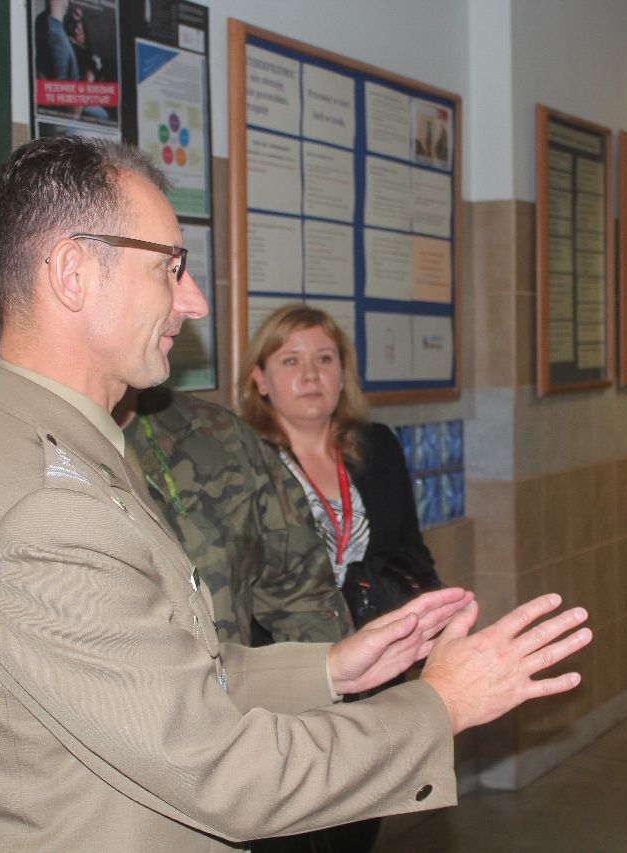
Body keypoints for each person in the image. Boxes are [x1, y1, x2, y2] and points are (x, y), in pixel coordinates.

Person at [0, 135, 592, 851]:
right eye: (169, 267)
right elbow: (220, 770)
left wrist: (329, 667)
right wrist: (440, 705)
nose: (195, 302)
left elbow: (167, 681)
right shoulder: (44, 512)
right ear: (74, 273)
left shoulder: (60, 449)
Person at [0, 386, 351, 850]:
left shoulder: (217, 436)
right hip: (116, 817)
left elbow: (300, 591)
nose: (182, 328)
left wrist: (331, 692)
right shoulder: (22, 475)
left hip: (259, 769)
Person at [240, 305, 439, 852]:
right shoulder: (240, 460)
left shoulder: (378, 447)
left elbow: (409, 551)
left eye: (325, 359)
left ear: (343, 373)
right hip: (284, 677)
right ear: (260, 378)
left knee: (358, 824)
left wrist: (433, 617)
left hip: (375, 672)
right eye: (291, 361)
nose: (310, 375)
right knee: (290, 831)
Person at [122, 385, 352, 646]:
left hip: (232, 668)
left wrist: (332, 667)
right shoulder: (80, 455)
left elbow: (304, 597)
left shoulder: (215, 431)